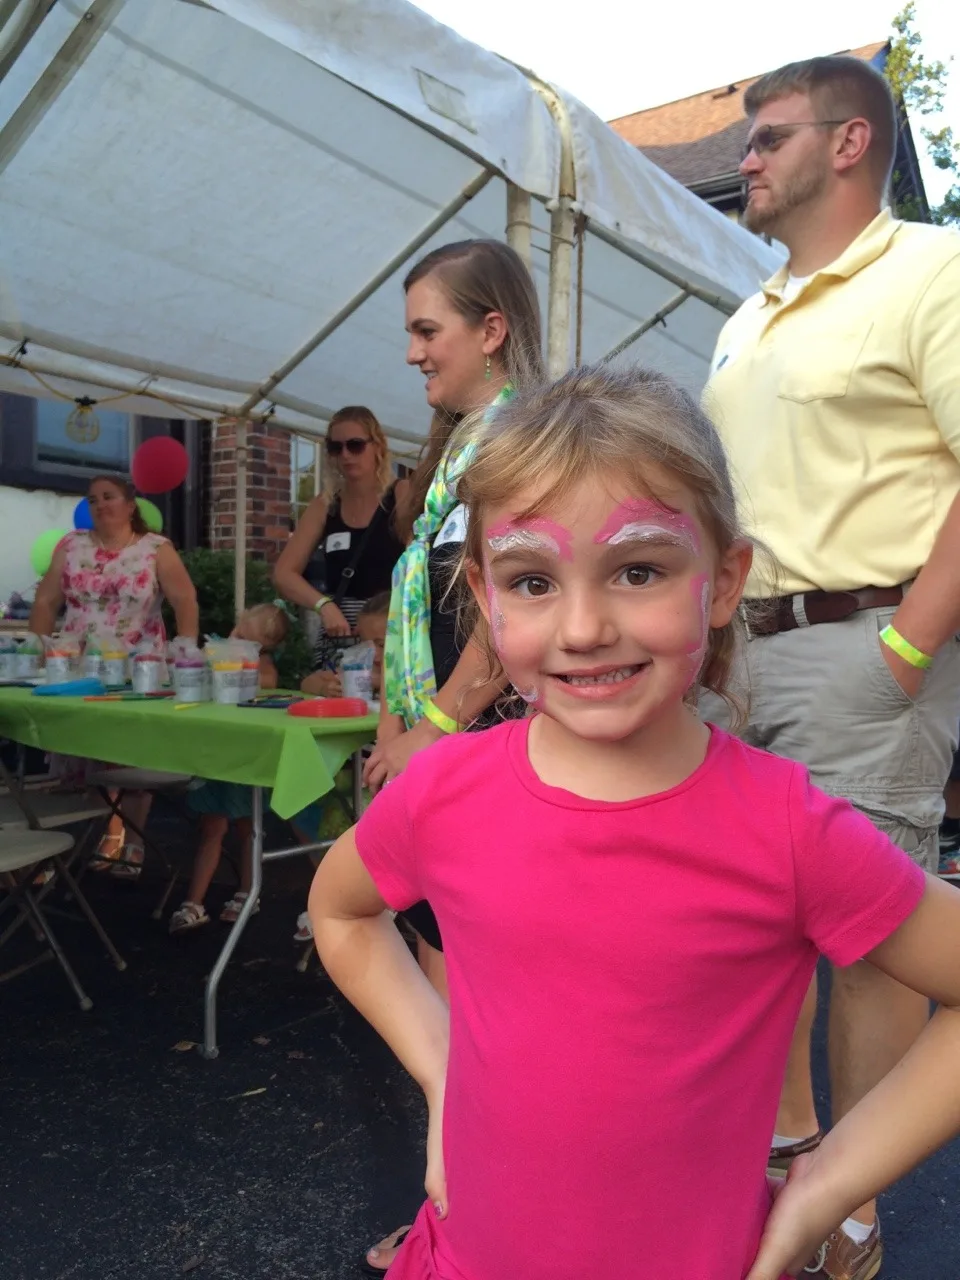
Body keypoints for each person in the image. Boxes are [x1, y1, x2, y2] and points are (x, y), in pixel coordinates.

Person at [308, 364, 960, 1280]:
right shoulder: (441, 791)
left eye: (639, 569)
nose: (581, 627)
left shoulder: (787, 827)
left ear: (725, 581)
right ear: (486, 599)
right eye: (532, 581)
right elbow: (340, 912)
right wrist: (445, 1072)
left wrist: (827, 1183)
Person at [700, 53, 960, 1279]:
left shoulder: (933, 268)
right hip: (741, 655)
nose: (743, 158)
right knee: (743, 923)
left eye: (766, 136)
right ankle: (794, 1162)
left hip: (865, 642)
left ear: (850, 143)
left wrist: (908, 644)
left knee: (870, 941)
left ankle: (850, 1222)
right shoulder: (747, 314)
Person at [358, 237, 543, 1273]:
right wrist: (400, 728)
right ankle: (469, 1214)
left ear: (491, 330)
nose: (415, 354)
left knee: (474, 1015)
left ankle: (474, 1226)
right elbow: (422, 611)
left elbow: (506, 602)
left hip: (482, 760)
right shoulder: (466, 449)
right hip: (449, 754)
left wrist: (432, 724)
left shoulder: (514, 444)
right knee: (460, 1011)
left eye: (428, 330)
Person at [30, 472, 199, 877]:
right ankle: (78, 839)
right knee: (78, 750)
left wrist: (185, 647)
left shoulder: (156, 548)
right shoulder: (71, 546)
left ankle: (133, 842)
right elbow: (47, 598)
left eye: (109, 497)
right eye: (93, 499)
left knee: (128, 750)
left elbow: (184, 598)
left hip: (136, 663)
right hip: (77, 662)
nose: (101, 505)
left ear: (129, 503)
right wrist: (38, 647)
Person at [168, 604, 288, 933]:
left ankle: (249, 891)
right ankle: (194, 900)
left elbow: (265, 681)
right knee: (211, 828)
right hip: (218, 755)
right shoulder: (225, 660)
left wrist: (234, 664)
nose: (233, 637)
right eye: (236, 631)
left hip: (245, 759)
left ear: (261, 648)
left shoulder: (262, 669)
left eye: (243, 636)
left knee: (248, 827)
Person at [273, 407, 405, 676]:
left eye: (355, 445)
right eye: (336, 447)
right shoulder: (326, 504)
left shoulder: (400, 493)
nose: (345, 455)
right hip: (342, 631)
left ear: (377, 446)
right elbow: (283, 573)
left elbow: (422, 560)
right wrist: (323, 605)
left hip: (390, 632)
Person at [293, 593, 390, 943]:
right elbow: (307, 683)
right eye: (365, 642)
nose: (372, 653)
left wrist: (382, 685)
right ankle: (334, 888)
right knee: (300, 797)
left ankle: (363, 896)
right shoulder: (353, 668)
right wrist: (321, 685)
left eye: (380, 643)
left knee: (343, 807)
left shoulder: (410, 677)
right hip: (348, 771)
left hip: (383, 778)